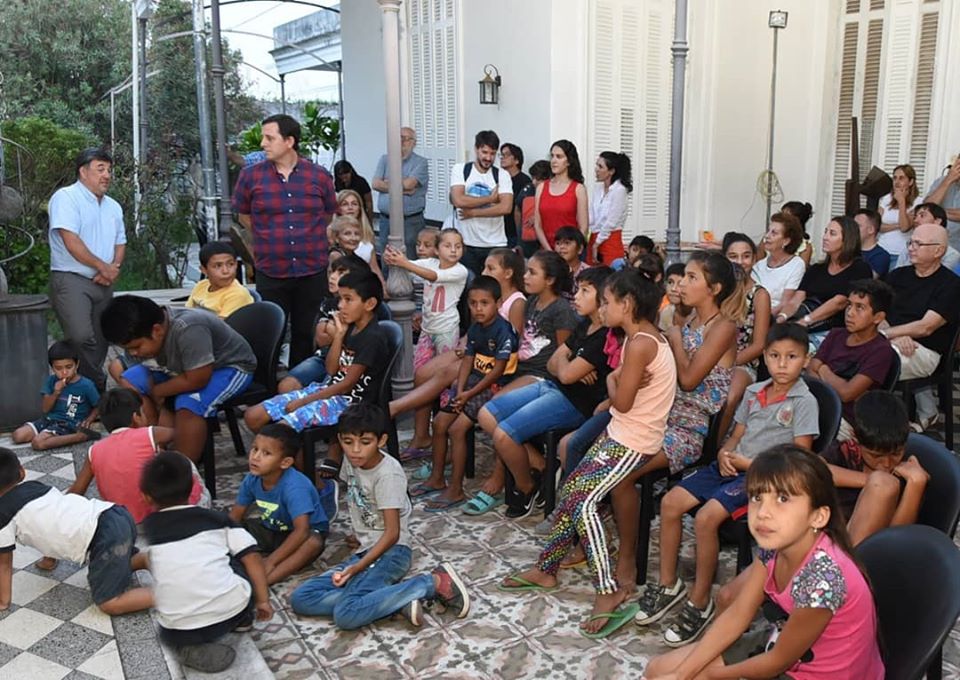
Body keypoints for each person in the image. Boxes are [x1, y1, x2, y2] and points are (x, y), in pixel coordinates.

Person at [498, 270, 677, 639]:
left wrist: (612, 380)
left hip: (635, 440)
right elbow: (622, 397)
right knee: (572, 494)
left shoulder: (641, 343)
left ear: (627, 304)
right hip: (621, 432)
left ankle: (607, 590)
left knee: (583, 503)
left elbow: (621, 401)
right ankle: (546, 569)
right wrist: (616, 381)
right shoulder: (636, 338)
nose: (603, 309)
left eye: (608, 302)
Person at [636, 323, 819, 646]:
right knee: (670, 503)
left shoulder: (804, 401)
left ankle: (700, 601)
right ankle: (668, 584)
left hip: (765, 477)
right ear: (764, 357)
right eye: (775, 356)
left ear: (805, 360)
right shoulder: (754, 391)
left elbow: (799, 457)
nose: (781, 364)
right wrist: (724, 452)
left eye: (791, 357)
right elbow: (736, 435)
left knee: (707, 517)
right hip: (733, 465)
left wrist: (748, 463)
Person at [644, 445, 884, 680]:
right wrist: (683, 674)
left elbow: (777, 662)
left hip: (820, 672)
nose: (763, 513)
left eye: (782, 498)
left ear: (818, 516)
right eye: (757, 497)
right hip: (783, 647)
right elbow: (738, 613)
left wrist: (709, 675)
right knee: (658, 669)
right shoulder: (776, 546)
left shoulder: (822, 580)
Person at [289, 404, 470, 629]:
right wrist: (360, 536)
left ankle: (431, 583)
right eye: (347, 442)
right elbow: (361, 500)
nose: (355, 450)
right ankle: (391, 600)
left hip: (392, 552)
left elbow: (392, 534)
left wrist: (358, 567)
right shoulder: (351, 462)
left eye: (365, 442)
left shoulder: (387, 475)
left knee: (346, 616)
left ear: (381, 440)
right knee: (302, 598)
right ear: (340, 440)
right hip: (366, 551)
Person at [478, 267, 614, 518]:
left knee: (504, 435)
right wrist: (568, 363)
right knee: (486, 414)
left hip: (573, 402)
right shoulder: (585, 325)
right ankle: (543, 469)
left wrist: (567, 364)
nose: (576, 296)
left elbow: (566, 374)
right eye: (577, 289)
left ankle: (526, 487)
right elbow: (554, 363)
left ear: (605, 297)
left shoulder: (604, 336)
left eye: (585, 291)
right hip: (551, 386)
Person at [140, 451, 272, 673]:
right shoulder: (217, 520)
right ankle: (242, 620)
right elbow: (253, 558)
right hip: (231, 610)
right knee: (237, 555)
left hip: (180, 626)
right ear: (194, 486)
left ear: (146, 497)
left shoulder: (150, 530)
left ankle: (188, 649)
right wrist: (263, 600)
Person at [232, 114, 338, 369]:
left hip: (312, 269)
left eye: (270, 138)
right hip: (271, 268)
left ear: (289, 141)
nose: (263, 144)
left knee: (307, 332)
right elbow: (243, 215)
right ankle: (267, 387)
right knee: (270, 334)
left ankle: (298, 383)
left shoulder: (319, 176)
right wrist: (268, 234)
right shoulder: (250, 176)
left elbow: (327, 215)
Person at [101, 295, 256, 463]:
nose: (133, 353)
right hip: (183, 368)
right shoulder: (147, 330)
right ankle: (152, 441)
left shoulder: (189, 328)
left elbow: (198, 379)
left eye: (136, 347)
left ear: (156, 330)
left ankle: (182, 467)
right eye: (127, 349)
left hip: (227, 368)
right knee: (130, 380)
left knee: (189, 403)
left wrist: (159, 391)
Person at [0, 447, 151, 616]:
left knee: (109, 603)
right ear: (22, 472)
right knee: (117, 563)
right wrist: (49, 559)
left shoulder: (3, 515)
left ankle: (169, 595)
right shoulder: (35, 486)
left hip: (104, 535)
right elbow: (53, 519)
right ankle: (146, 560)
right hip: (115, 513)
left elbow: (4, 564)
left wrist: (3, 601)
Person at [411, 276, 519, 512]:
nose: (478, 309)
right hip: (471, 384)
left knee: (456, 429)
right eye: (473, 303)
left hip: (493, 388)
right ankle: (437, 478)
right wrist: (459, 390)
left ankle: (456, 489)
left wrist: (468, 393)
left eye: (484, 303)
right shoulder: (476, 328)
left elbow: (497, 372)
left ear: (498, 303)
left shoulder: (504, 331)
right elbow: (468, 360)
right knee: (439, 423)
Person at [243, 271, 390, 435]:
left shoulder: (372, 338)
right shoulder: (351, 327)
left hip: (349, 403)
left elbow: (346, 385)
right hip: (326, 390)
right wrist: (339, 336)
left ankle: (286, 450)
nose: (341, 305)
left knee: (283, 430)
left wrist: (303, 402)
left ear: (369, 304)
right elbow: (331, 370)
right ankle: (287, 450)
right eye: (340, 299)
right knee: (253, 416)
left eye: (348, 299)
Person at [58, 388, 209, 525]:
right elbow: (182, 434)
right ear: (136, 417)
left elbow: (77, 490)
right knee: (176, 458)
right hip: (157, 516)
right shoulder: (149, 433)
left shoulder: (94, 450)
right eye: (143, 412)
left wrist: (57, 510)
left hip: (124, 524)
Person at [48, 147, 126, 391]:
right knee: (80, 337)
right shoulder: (66, 197)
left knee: (102, 338)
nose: (107, 175)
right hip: (72, 278)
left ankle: (86, 392)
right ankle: (96, 384)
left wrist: (113, 268)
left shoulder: (113, 206)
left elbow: (120, 242)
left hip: (104, 281)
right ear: (83, 171)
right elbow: (71, 241)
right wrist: (103, 266)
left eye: (109, 170)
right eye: (100, 169)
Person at [229, 424, 334, 585]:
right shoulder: (252, 479)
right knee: (231, 528)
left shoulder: (295, 487)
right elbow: (235, 517)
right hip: (272, 529)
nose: (255, 457)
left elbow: (302, 530)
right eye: (255, 449)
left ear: (285, 462)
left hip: (303, 532)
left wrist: (271, 561)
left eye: (266, 453)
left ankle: (263, 581)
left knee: (313, 543)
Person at [880, 222, 960, 431]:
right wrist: (893, 336)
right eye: (911, 242)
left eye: (918, 244)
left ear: (938, 251)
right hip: (893, 341)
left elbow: (926, 327)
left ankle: (882, 426)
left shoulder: (951, 284)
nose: (911, 248)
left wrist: (887, 334)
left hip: (925, 350)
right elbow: (877, 312)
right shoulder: (898, 275)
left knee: (873, 360)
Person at [821, 391, 928, 546]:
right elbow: (811, 468)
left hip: (868, 552)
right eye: (875, 455)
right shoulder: (846, 453)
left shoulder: (907, 473)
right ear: (855, 438)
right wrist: (869, 481)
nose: (886, 463)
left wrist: (916, 485)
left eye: (896, 454)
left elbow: (896, 541)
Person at [808, 278, 895, 441]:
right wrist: (833, 383)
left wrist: (823, 370)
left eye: (859, 308)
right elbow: (811, 370)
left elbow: (847, 393)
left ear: (878, 317)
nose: (850, 313)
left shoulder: (881, 351)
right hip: (816, 403)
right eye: (849, 305)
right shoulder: (836, 334)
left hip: (843, 418)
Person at [279, 254, 375, 394]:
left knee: (324, 392)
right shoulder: (328, 304)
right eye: (331, 272)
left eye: (340, 273)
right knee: (286, 386)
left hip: (351, 362)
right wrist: (338, 331)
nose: (332, 277)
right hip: (324, 357)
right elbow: (321, 339)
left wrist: (333, 329)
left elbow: (357, 340)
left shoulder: (368, 307)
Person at [778, 216, 874, 348]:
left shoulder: (859, 268)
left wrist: (806, 321)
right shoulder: (816, 269)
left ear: (847, 239)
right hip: (804, 323)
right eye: (825, 232)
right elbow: (796, 300)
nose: (825, 237)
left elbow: (839, 302)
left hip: (835, 330)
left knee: (792, 346)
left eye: (832, 233)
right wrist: (782, 317)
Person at [716, 234, 772, 441]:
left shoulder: (759, 295)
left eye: (746, 256)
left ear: (755, 259)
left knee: (729, 396)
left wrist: (728, 363)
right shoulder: (718, 289)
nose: (740, 261)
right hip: (710, 357)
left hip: (743, 362)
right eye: (733, 256)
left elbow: (759, 345)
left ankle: (715, 448)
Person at [12, 341, 100, 451]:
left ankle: (80, 436)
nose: (64, 372)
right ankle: (50, 435)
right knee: (18, 435)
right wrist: (56, 392)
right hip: (49, 420)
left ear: (77, 365)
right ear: (52, 368)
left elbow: (98, 405)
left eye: (69, 367)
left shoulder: (86, 385)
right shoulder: (51, 381)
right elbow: (45, 409)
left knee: (38, 443)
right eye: (58, 368)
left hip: (69, 423)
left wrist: (89, 419)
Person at [450, 130, 514, 274]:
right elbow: (458, 199)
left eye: (492, 154)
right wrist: (490, 199)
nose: (488, 158)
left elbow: (506, 207)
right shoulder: (460, 170)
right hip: (466, 243)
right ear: (476, 149)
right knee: (469, 283)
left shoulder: (502, 175)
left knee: (494, 284)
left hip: (495, 243)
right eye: (484, 152)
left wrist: (473, 212)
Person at [372, 127, 430, 256]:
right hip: (386, 220)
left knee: (410, 257)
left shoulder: (421, 162)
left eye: (406, 139)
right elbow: (375, 184)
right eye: (399, 138)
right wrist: (403, 189)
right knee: (387, 257)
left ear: (414, 143)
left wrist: (387, 183)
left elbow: (409, 184)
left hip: (410, 221)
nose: (402, 141)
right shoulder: (385, 159)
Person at [534, 139, 589, 250]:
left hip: (569, 251)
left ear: (568, 161)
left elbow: (583, 227)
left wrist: (570, 250)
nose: (553, 161)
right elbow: (537, 225)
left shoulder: (578, 189)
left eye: (559, 157)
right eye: (552, 156)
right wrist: (549, 251)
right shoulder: (541, 187)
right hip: (546, 251)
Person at [753, 212, 806, 317]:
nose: (767, 236)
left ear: (786, 241)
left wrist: (760, 317)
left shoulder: (796, 265)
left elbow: (785, 303)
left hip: (774, 317)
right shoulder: (759, 265)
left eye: (774, 233)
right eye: (768, 231)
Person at [186, 241, 254, 319]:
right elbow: (186, 313)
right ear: (204, 270)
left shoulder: (238, 294)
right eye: (218, 266)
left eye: (231, 264)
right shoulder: (201, 286)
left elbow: (220, 325)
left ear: (236, 264)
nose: (226, 271)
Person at [588, 151, 632, 265]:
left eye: (600, 167)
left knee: (610, 272)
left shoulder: (619, 190)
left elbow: (611, 222)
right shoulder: (598, 188)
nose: (596, 169)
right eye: (597, 165)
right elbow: (592, 215)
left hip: (610, 239)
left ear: (611, 171)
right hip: (594, 237)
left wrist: (597, 243)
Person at [877, 164, 921, 269]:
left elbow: (904, 227)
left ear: (911, 182)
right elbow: (877, 225)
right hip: (881, 248)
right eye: (895, 178)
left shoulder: (918, 202)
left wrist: (901, 201)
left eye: (901, 178)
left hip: (900, 253)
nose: (897, 182)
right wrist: (898, 225)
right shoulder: (885, 199)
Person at [893, 201, 960, 271]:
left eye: (922, 216)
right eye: (915, 217)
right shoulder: (909, 247)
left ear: (937, 221)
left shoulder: (951, 255)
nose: (916, 220)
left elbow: (938, 276)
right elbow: (897, 272)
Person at [328, 215, 386, 290]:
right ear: (336, 238)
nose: (353, 238)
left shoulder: (353, 256)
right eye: (347, 234)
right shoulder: (336, 255)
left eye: (357, 234)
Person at [924, 153, 960, 252]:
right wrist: (948, 180)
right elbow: (927, 208)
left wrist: (938, 212)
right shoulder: (941, 182)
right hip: (934, 245)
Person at [517, 160, 552, 258]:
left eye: (538, 179)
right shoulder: (527, 190)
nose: (534, 182)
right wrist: (520, 229)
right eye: (533, 178)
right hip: (527, 240)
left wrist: (539, 217)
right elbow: (517, 209)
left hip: (546, 239)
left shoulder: (555, 192)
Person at [499, 142, 531, 248]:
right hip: (499, 230)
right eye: (501, 155)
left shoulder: (525, 181)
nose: (502, 158)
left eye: (507, 155)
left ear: (517, 160)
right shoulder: (498, 178)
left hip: (515, 232)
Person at [554, 225, 590, 298]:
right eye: (558, 243)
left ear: (580, 249)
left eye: (567, 243)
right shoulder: (551, 270)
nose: (561, 247)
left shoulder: (588, 272)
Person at [854, 208, 890, 277]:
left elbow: (869, 278)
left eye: (858, 226)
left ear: (871, 230)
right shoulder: (849, 249)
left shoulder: (881, 255)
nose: (853, 229)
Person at [780, 201, 816, 266]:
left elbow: (800, 270)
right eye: (780, 216)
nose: (781, 220)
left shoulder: (805, 247)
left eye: (786, 218)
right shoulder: (768, 239)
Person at [658, 261, 690, 330]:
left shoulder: (698, 315)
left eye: (680, 283)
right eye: (670, 282)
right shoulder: (666, 313)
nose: (673, 289)